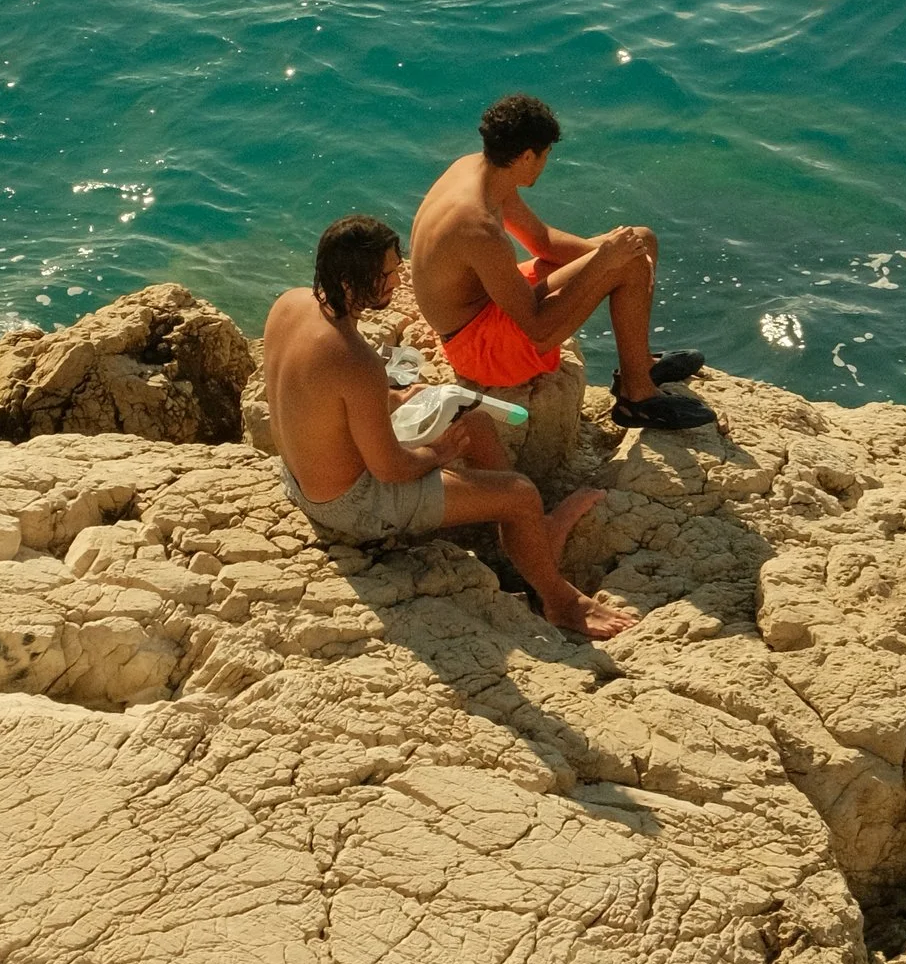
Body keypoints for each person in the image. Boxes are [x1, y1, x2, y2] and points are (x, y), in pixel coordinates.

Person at [263, 212, 635, 642]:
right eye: (387, 275)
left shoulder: (290, 304)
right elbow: (390, 470)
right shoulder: (354, 358)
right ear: (352, 280)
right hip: (350, 504)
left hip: (298, 475)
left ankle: (524, 539)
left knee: (473, 421)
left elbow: (322, 390)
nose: (397, 283)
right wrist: (439, 454)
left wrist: (394, 398)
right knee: (520, 493)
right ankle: (560, 602)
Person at [410, 92, 713, 435]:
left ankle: (639, 365)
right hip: (480, 348)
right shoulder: (476, 226)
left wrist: (613, 256)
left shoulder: (479, 170)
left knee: (640, 242)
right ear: (526, 156)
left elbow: (541, 240)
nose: (546, 162)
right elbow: (537, 328)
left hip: (495, 305)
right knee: (626, 262)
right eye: (545, 154)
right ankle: (637, 397)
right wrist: (604, 264)